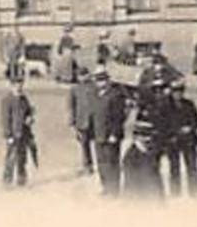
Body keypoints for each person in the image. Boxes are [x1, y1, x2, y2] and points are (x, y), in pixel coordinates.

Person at [93, 68, 127, 196]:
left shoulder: (115, 96)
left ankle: (114, 190)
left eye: (102, 80)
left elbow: (118, 117)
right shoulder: (96, 95)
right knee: (101, 163)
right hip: (99, 134)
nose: (100, 83)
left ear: (108, 81)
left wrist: (114, 134)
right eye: (98, 80)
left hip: (111, 135)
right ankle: (105, 187)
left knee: (112, 162)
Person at [164, 79, 197, 195]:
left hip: (188, 140)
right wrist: (176, 131)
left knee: (192, 167)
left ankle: (194, 191)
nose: (178, 94)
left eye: (180, 91)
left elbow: (196, 121)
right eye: (175, 91)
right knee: (174, 168)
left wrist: (190, 128)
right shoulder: (167, 107)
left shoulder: (189, 104)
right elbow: (164, 123)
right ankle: (175, 192)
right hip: (173, 140)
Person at [0, 75, 35, 187]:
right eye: (16, 85)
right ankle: (7, 181)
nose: (19, 87)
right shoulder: (7, 100)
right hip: (13, 133)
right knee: (11, 158)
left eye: (20, 85)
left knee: (22, 157)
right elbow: (5, 118)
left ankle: (22, 180)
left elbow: (29, 112)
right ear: (11, 86)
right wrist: (8, 135)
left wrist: (30, 118)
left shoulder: (24, 99)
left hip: (24, 133)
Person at [121, 119, 164, 200]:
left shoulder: (153, 152)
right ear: (136, 137)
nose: (147, 140)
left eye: (149, 136)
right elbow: (131, 186)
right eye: (144, 137)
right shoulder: (130, 157)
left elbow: (158, 182)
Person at [68, 71, 98, 175]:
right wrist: (72, 121)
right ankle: (87, 166)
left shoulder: (95, 87)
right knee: (84, 144)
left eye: (85, 75)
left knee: (99, 143)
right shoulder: (75, 89)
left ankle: (101, 165)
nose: (83, 77)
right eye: (81, 75)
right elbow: (71, 106)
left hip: (95, 120)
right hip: (81, 121)